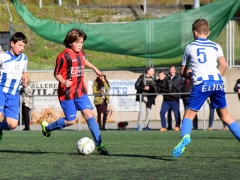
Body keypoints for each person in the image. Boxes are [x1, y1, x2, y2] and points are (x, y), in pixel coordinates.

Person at [172, 18, 240, 158]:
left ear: (194, 33)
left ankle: (185, 136)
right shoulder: (216, 46)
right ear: (208, 32)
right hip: (217, 82)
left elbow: (182, 72)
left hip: (201, 83)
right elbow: (223, 64)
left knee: (189, 116)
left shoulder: (190, 47)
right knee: (225, 116)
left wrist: (188, 75)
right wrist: (217, 78)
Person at [40, 28, 109, 155]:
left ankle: (100, 145)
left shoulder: (81, 52)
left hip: (80, 91)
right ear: (70, 42)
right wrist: (64, 82)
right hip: (67, 93)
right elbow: (57, 73)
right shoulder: (63, 56)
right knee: (71, 121)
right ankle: (47, 127)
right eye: (77, 42)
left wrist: (95, 69)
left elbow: (83, 60)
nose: (80, 45)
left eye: (81, 42)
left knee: (89, 114)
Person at [0, 32, 29, 140]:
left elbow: (24, 72)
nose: (22, 48)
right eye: (20, 45)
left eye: (24, 46)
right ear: (12, 43)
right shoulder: (3, 57)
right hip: (1, 91)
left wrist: (25, 79)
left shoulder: (24, 58)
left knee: (12, 125)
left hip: (14, 94)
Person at [166, 66, 183, 131]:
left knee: (176, 112)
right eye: (170, 70)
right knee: (168, 112)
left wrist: (178, 91)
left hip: (175, 97)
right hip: (168, 97)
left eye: (172, 70)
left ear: (175, 70)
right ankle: (169, 126)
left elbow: (182, 85)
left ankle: (177, 125)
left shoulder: (179, 77)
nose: (171, 71)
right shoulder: (167, 77)